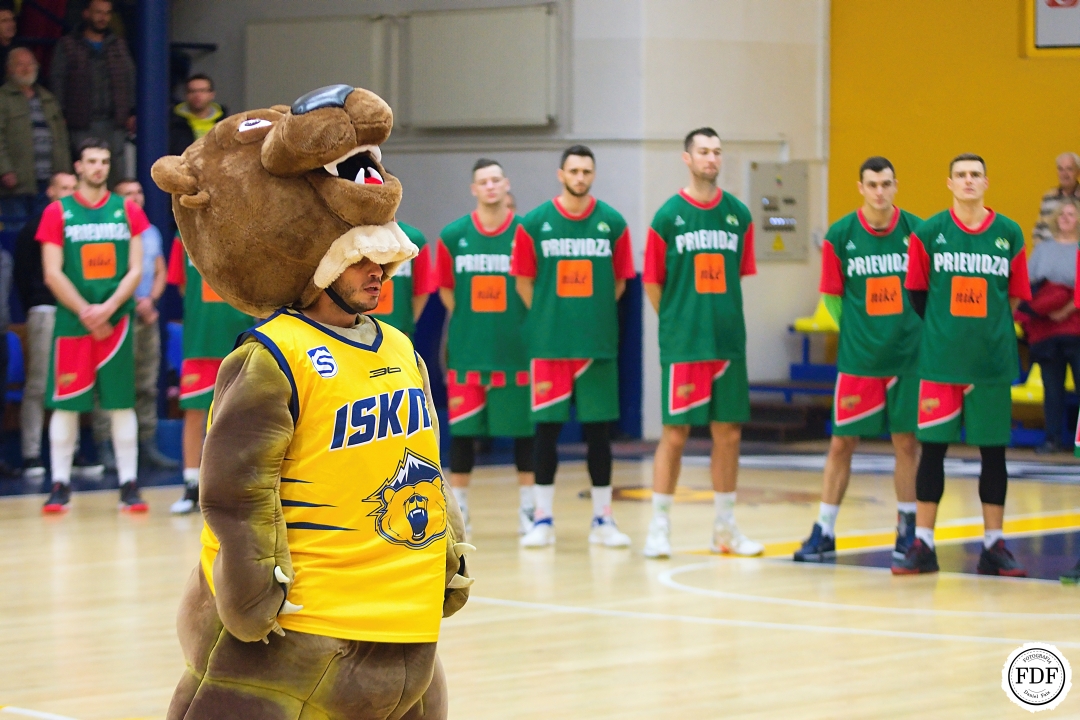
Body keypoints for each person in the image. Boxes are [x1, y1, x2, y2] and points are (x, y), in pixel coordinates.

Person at [895, 153, 1030, 576]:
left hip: (991, 362)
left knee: (994, 454)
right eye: (961, 175)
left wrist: (987, 326)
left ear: (986, 182)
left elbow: (1013, 296)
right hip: (941, 363)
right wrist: (945, 329)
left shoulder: (1009, 233)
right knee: (932, 451)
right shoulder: (928, 233)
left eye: (975, 175)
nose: (968, 181)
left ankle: (994, 546)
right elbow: (917, 293)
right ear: (949, 183)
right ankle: (923, 544)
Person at [641, 127, 762, 558]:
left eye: (717, 152)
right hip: (685, 344)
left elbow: (738, 275)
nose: (712, 158)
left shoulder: (739, 215)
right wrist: (677, 322)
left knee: (728, 434)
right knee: (675, 434)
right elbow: (652, 282)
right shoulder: (667, 216)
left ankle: (725, 529)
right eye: (704, 151)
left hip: (727, 342)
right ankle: (659, 527)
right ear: (687, 159)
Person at [793, 157, 922, 562]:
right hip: (859, 359)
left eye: (886, 184)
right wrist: (858, 331)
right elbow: (832, 297)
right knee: (841, 443)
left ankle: (907, 529)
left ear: (896, 185)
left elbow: (929, 291)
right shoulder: (840, 234)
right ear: (860, 187)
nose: (879, 191)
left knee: (906, 443)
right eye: (872, 184)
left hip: (907, 357)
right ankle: (825, 529)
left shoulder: (917, 232)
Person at [511, 145, 636, 548]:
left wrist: (589, 313)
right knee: (546, 433)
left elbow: (620, 282)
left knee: (599, 434)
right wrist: (550, 315)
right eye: (574, 171)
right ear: (560, 174)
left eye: (586, 171)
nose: (580, 177)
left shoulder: (613, 223)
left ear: (593, 175)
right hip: (550, 346)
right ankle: (542, 520)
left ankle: (603, 519)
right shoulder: (534, 224)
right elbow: (523, 282)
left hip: (596, 345)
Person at [36, 137, 146, 513]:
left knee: (121, 403)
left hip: (116, 322)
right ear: (79, 166)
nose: (99, 167)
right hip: (73, 321)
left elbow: (136, 269)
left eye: (104, 161)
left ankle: (129, 484)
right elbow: (52, 273)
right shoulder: (57, 212)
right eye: (92, 161)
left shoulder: (126, 210)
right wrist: (86, 311)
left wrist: (109, 307)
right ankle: (60, 483)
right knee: (66, 404)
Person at [435, 158, 534, 534]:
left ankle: (529, 510)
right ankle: (460, 511)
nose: (490, 186)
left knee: (525, 433)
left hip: (517, 350)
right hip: (469, 350)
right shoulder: (453, 235)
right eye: (483, 181)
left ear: (506, 185)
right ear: (474, 189)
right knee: (463, 433)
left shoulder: (526, 233)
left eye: (496, 180)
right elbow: (447, 292)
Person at [90, 178, 177, 471]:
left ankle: (147, 444)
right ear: (116, 199)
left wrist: (151, 300)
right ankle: (105, 446)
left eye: (139, 192)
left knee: (147, 383)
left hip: (146, 315)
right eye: (128, 193)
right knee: (110, 384)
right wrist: (127, 302)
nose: (136, 197)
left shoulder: (151, 231)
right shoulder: (106, 230)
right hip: (116, 317)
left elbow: (160, 271)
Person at [165, 235, 253, 514]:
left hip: (238, 338)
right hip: (199, 341)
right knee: (194, 413)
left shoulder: (245, 236)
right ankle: (192, 484)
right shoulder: (183, 237)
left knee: (240, 417)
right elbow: (182, 287)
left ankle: (237, 486)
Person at [14, 172, 76, 480]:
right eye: (63, 188)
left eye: (73, 188)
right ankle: (31, 453)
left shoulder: (80, 225)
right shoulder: (34, 226)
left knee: (75, 383)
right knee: (38, 384)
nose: (69, 193)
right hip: (47, 310)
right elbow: (23, 274)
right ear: (50, 191)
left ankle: (73, 452)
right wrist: (37, 304)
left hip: (76, 311)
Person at [49, 0, 135, 188]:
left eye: (107, 13)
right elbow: (58, 80)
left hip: (114, 122)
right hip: (81, 122)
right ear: (86, 13)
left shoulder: (118, 44)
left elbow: (130, 78)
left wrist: (131, 111)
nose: (103, 17)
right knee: (84, 175)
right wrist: (61, 114)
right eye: (98, 12)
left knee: (115, 176)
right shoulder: (68, 44)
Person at [1020, 198, 1080, 453]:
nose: (1065, 218)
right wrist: (1042, 307)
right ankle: (1052, 439)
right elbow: (1028, 285)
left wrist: (1064, 310)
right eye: (1062, 214)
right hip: (1046, 331)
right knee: (1052, 388)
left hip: (1076, 329)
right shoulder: (1043, 249)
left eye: (1071, 214)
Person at [0, 47, 71, 220]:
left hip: (49, 183)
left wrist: (64, 172)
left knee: (47, 228)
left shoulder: (48, 99)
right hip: (17, 183)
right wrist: (5, 170)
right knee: (17, 230)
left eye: (30, 64)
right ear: (9, 69)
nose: (26, 69)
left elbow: (62, 140)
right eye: (20, 64)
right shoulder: (3, 99)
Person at [366, 221, 436, 337]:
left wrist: (406, 324)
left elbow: (422, 291)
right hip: (354, 333)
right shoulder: (351, 236)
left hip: (400, 333)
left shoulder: (415, 239)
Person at [168, 73, 226, 156]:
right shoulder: (172, 122)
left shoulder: (225, 122)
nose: (197, 95)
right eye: (192, 91)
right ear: (186, 95)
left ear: (212, 94)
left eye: (202, 91)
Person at [1034, 153, 1080, 245]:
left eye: (1069, 169)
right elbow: (1038, 230)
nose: (1064, 174)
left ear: (1078, 172)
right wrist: (1041, 249)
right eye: (1061, 169)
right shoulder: (1048, 197)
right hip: (1048, 251)